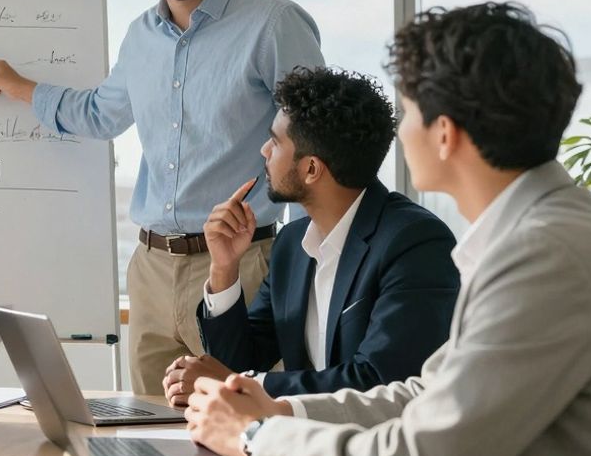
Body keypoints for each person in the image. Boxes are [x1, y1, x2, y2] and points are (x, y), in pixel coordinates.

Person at [183, 3, 591, 456]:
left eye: (408, 113)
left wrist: (254, 436)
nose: (398, 135)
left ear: (445, 133)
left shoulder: (543, 257)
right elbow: (427, 393)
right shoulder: (540, 233)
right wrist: (279, 412)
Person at [0, 0, 324, 394]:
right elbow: (100, 114)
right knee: (149, 431)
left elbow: (316, 136)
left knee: (239, 421)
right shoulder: (141, 37)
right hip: (152, 269)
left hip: (246, 263)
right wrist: (21, 87)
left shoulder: (272, 23)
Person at [163, 67, 458, 403]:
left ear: (311, 169)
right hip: (297, 442)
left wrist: (244, 384)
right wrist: (224, 268)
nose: (264, 151)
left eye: (274, 141)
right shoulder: (292, 243)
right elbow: (239, 364)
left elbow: (380, 381)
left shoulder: (415, 242)